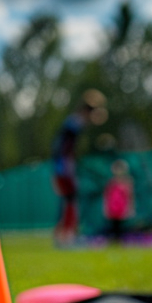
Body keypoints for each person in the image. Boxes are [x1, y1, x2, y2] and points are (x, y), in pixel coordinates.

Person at [51, 89, 107, 246]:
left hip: (65, 165)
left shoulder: (74, 122)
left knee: (69, 200)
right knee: (70, 200)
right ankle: (66, 236)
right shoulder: (74, 123)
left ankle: (64, 234)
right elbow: (62, 146)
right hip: (64, 167)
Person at [103, 159, 135, 243]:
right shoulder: (111, 182)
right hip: (113, 207)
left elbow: (130, 196)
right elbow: (107, 196)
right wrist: (106, 208)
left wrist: (130, 207)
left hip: (122, 207)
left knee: (122, 226)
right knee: (114, 225)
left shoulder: (127, 182)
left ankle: (120, 240)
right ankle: (114, 240)